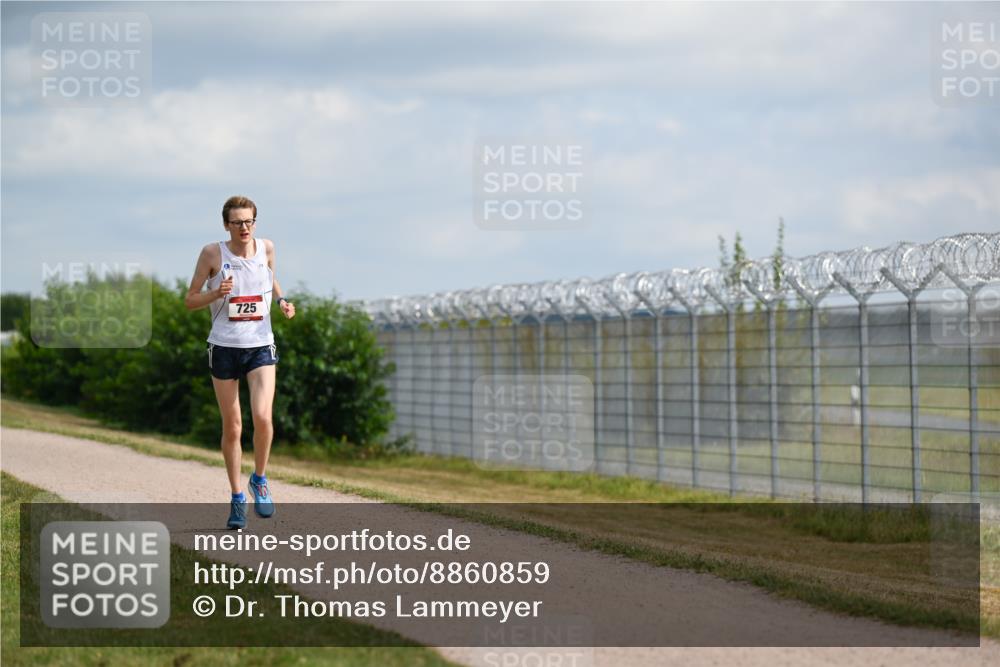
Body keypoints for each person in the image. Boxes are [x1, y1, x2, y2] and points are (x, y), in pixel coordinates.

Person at [185, 195, 295, 529]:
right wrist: (216, 293)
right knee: (233, 426)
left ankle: (259, 478)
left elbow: (269, 276)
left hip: (260, 345)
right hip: (224, 347)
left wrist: (282, 300)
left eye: (249, 222)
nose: (244, 228)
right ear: (226, 225)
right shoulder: (212, 254)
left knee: (263, 417)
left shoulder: (267, 248)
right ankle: (236, 498)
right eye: (237, 223)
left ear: (255, 223)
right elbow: (190, 300)